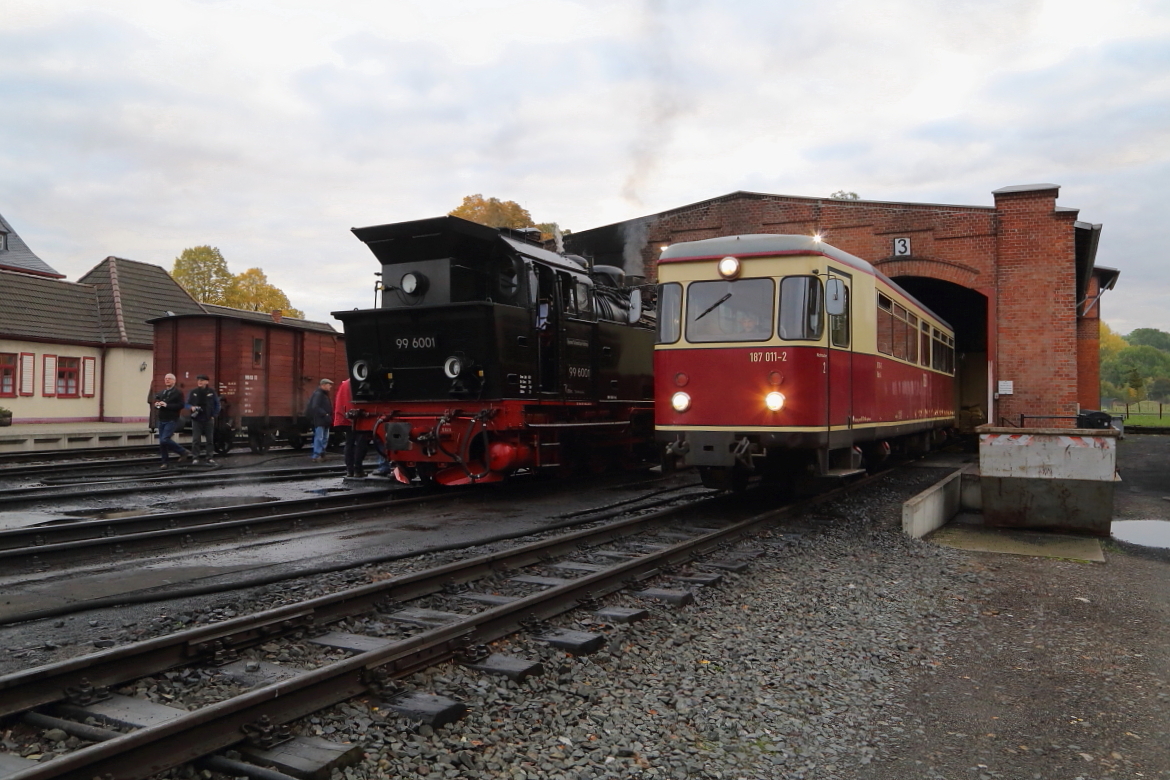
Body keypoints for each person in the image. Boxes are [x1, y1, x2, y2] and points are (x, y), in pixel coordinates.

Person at [333, 378, 371, 478]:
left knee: (349, 443)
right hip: (359, 417)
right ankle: (358, 469)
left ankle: (350, 470)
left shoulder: (344, 384)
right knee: (361, 443)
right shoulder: (359, 382)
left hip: (346, 416)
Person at [152, 373, 191, 468]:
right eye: (166, 378)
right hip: (161, 419)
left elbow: (181, 405)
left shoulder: (178, 393)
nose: (167, 380)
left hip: (171, 419)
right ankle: (164, 462)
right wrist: (157, 405)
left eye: (169, 379)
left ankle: (183, 451)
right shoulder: (162, 392)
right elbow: (156, 403)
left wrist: (167, 405)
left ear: (174, 381)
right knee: (162, 442)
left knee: (165, 439)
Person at [186, 375, 220, 465]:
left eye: (202, 380)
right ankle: (195, 457)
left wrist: (214, 415)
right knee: (196, 439)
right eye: (198, 380)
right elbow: (186, 404)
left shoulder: (211, 392)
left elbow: (217, 404)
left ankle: (209, 457)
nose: (199, 382)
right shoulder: (193, 392)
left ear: (207, 382)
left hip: (208, 418)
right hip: (196, 419)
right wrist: (192, 407)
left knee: (210, 439)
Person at [305, 378, 334, 462]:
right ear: (323, 385)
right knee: (320, 437)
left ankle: (321, 454)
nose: (330, 387)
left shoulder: (322, 394)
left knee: (324, 437)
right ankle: (316, 454)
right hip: (320, 420)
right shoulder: (319, 394)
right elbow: (315, 406)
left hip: (324, 420)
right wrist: (325, 414)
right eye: (329, 385)